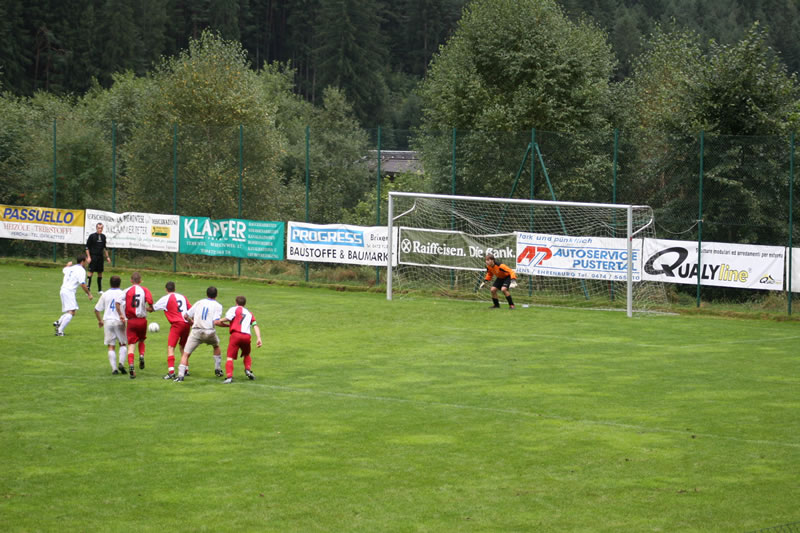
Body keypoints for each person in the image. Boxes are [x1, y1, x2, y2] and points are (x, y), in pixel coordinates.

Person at [174, 286, 224, 382]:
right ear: (216, 295)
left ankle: (180, 376)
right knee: (216, 346)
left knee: (185, 354)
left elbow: (185, 315)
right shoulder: (218, 305)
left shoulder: (199, 302)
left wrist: (191, 321)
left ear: (206, 294)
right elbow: (216, 322)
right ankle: (217, 369)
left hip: (196, 331)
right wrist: (227, 325)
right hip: (209, 331)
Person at [116, 272, 154, 378]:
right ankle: (141, 355)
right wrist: (148, 308)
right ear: (141, 281)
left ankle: (131, 366)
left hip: (131, 321)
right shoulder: (144, 290)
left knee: (131, 345)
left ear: (131, 281)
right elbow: (151, 303)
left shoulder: (127, 290)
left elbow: (117, 302)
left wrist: (121, 315)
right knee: (141, 340)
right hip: (142, 321)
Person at [153, 281, 192, 380]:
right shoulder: (183, 297)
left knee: (171, 347)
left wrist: (145, 309)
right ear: (175, 288)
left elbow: (153, 308)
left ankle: (171, 372)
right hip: (186, 324)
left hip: (176, 325)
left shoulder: (165, 298)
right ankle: (186, 369)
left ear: (166, 289)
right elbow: (191, 309)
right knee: (183, 347)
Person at [218, 296, 263, 384]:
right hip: (247, 336)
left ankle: (229, 377)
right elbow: (255, 325)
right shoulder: (249, 313)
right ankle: (248, 370)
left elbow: (228, 318)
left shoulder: (234, 309)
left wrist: (219, 320)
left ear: (236, 302)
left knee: (230, 357)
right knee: (247, 354)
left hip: (236, 335)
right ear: (245, 304)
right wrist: (259, 338)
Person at [93, 275, 128, 375]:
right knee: (123, 343)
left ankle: (114, 369)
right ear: (120, 283)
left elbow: (96, 310)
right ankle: (121, 363)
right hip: (120, 321)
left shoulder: (105, 294)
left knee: (111, 346)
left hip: (108, 321)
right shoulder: (123, 293)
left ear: (110, 283)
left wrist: (100, 321)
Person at [53, 256, 93, 336]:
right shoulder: (81, 270)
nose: (86, 263)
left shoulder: (71, 268)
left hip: (63, 290)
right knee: (71, 312)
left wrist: (67, 265)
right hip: (69, 291)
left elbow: (64, 270)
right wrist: (89, 294)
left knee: (71, 311)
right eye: (86, 261)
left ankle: (58, 322)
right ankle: (60, 331)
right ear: (82, 261)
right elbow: (82, 283)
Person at [85, 222, 111, 293]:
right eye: (99, 228)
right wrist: (89, 257)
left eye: (101, 228)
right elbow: (87, 248)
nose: (100, 229)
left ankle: (100, 290)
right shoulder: (92, 236)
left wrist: (107, 257)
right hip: (93, 256)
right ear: (96, 228)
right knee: (91, 272)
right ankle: (88, 289)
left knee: (100, 272)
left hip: (100, 257)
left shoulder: (103, 237)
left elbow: (105, 248)